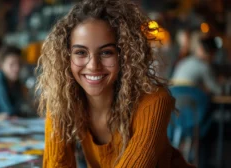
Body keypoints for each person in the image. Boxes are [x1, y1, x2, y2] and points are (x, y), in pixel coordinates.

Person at [36, 0, 194, 167]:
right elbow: (57, 164)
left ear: (124, 54)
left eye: (106, 52)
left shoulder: (153, 101)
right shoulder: (63, 99)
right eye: (81, 52)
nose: (93, 66)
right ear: (67, 56)